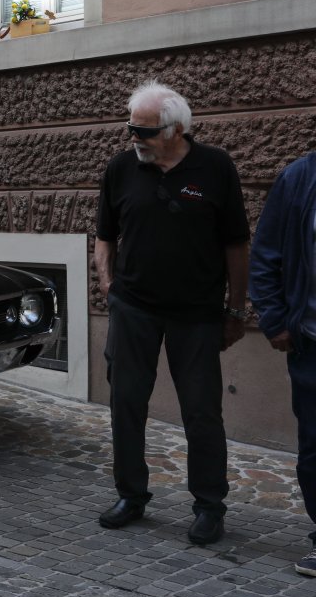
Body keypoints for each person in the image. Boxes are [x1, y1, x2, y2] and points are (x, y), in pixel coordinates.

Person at [94, 81, 249, 545]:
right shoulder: (121, 168)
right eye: (130, 127)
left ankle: (209, 505)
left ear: (176, 129)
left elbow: (236, 244)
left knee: (201, 411)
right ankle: (131, 495)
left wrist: (235, 309)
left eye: (144, 130)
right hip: (133, 308)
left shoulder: (215, 167)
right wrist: (108, 285)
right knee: (126, 404)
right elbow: (105, 235)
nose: (134, 137)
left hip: (196, 313)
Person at [249, 149, 316, 576]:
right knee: (315, 448)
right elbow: (265, 255)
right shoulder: (298, 178)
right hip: (312, 343)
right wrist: (274, 320)